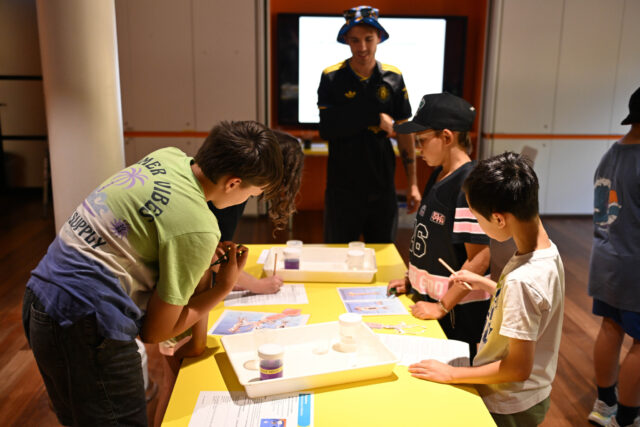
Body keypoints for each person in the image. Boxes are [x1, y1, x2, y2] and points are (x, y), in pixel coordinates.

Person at [21, 120, 284, 426]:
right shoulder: (200, 228)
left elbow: (155, 223)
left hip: (40, 296)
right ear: (234, 183)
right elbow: (155, 333)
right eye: (252, 194)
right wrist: (222, 288)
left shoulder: (169, 156)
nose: (247, 200)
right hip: (88, 324)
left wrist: (193, 256)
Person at [152, 129, 305, 426]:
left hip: (186, 293)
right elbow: (211, 259)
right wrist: (249, 284)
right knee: (174, 381)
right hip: (182, 296)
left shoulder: (214, 183)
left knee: (177, 375)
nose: (255, 195)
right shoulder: (220, 203)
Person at [408, 152, 565, 427]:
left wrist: (451, 374)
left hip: (509, 402)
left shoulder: (522, 280)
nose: (478, 226)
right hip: (526, 395)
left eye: (478, 219)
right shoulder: (545, 252)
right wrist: (487, 284)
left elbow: (517, 368)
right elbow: (532, 307)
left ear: (499, 219)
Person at [386, 93, 491, 359]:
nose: (418, 149)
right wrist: (412, 281)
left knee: (451, 369)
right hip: (429, 301)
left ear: (446, 137)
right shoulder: (439, 173)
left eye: (421, 141)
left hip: (457, 312)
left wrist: (443, 306)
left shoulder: (469, 184)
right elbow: (432, 241)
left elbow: (480, 257)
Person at [317, 5, 421, 243]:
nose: (362, 47)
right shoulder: (331, 76)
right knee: (337, 253)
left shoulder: (394, 77)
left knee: (383, 252)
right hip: (342, 189)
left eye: (368, 39)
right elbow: (327, 129)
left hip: (382, 186)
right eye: (355, 40)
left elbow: (405, 133)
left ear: (379, 38)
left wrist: (413, 184)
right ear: (346, 41)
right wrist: (374, 118)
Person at [587, 86, 640, 427]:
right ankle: (628, 417)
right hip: (635, 264)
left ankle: (604, 405)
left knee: (610, 327)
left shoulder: (612, 153)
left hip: (606, 258)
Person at [207, 130, 305, 295]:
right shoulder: (231, 195)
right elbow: (210, 253)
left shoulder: (231, 185)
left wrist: (231, 278)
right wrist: (255, 285)